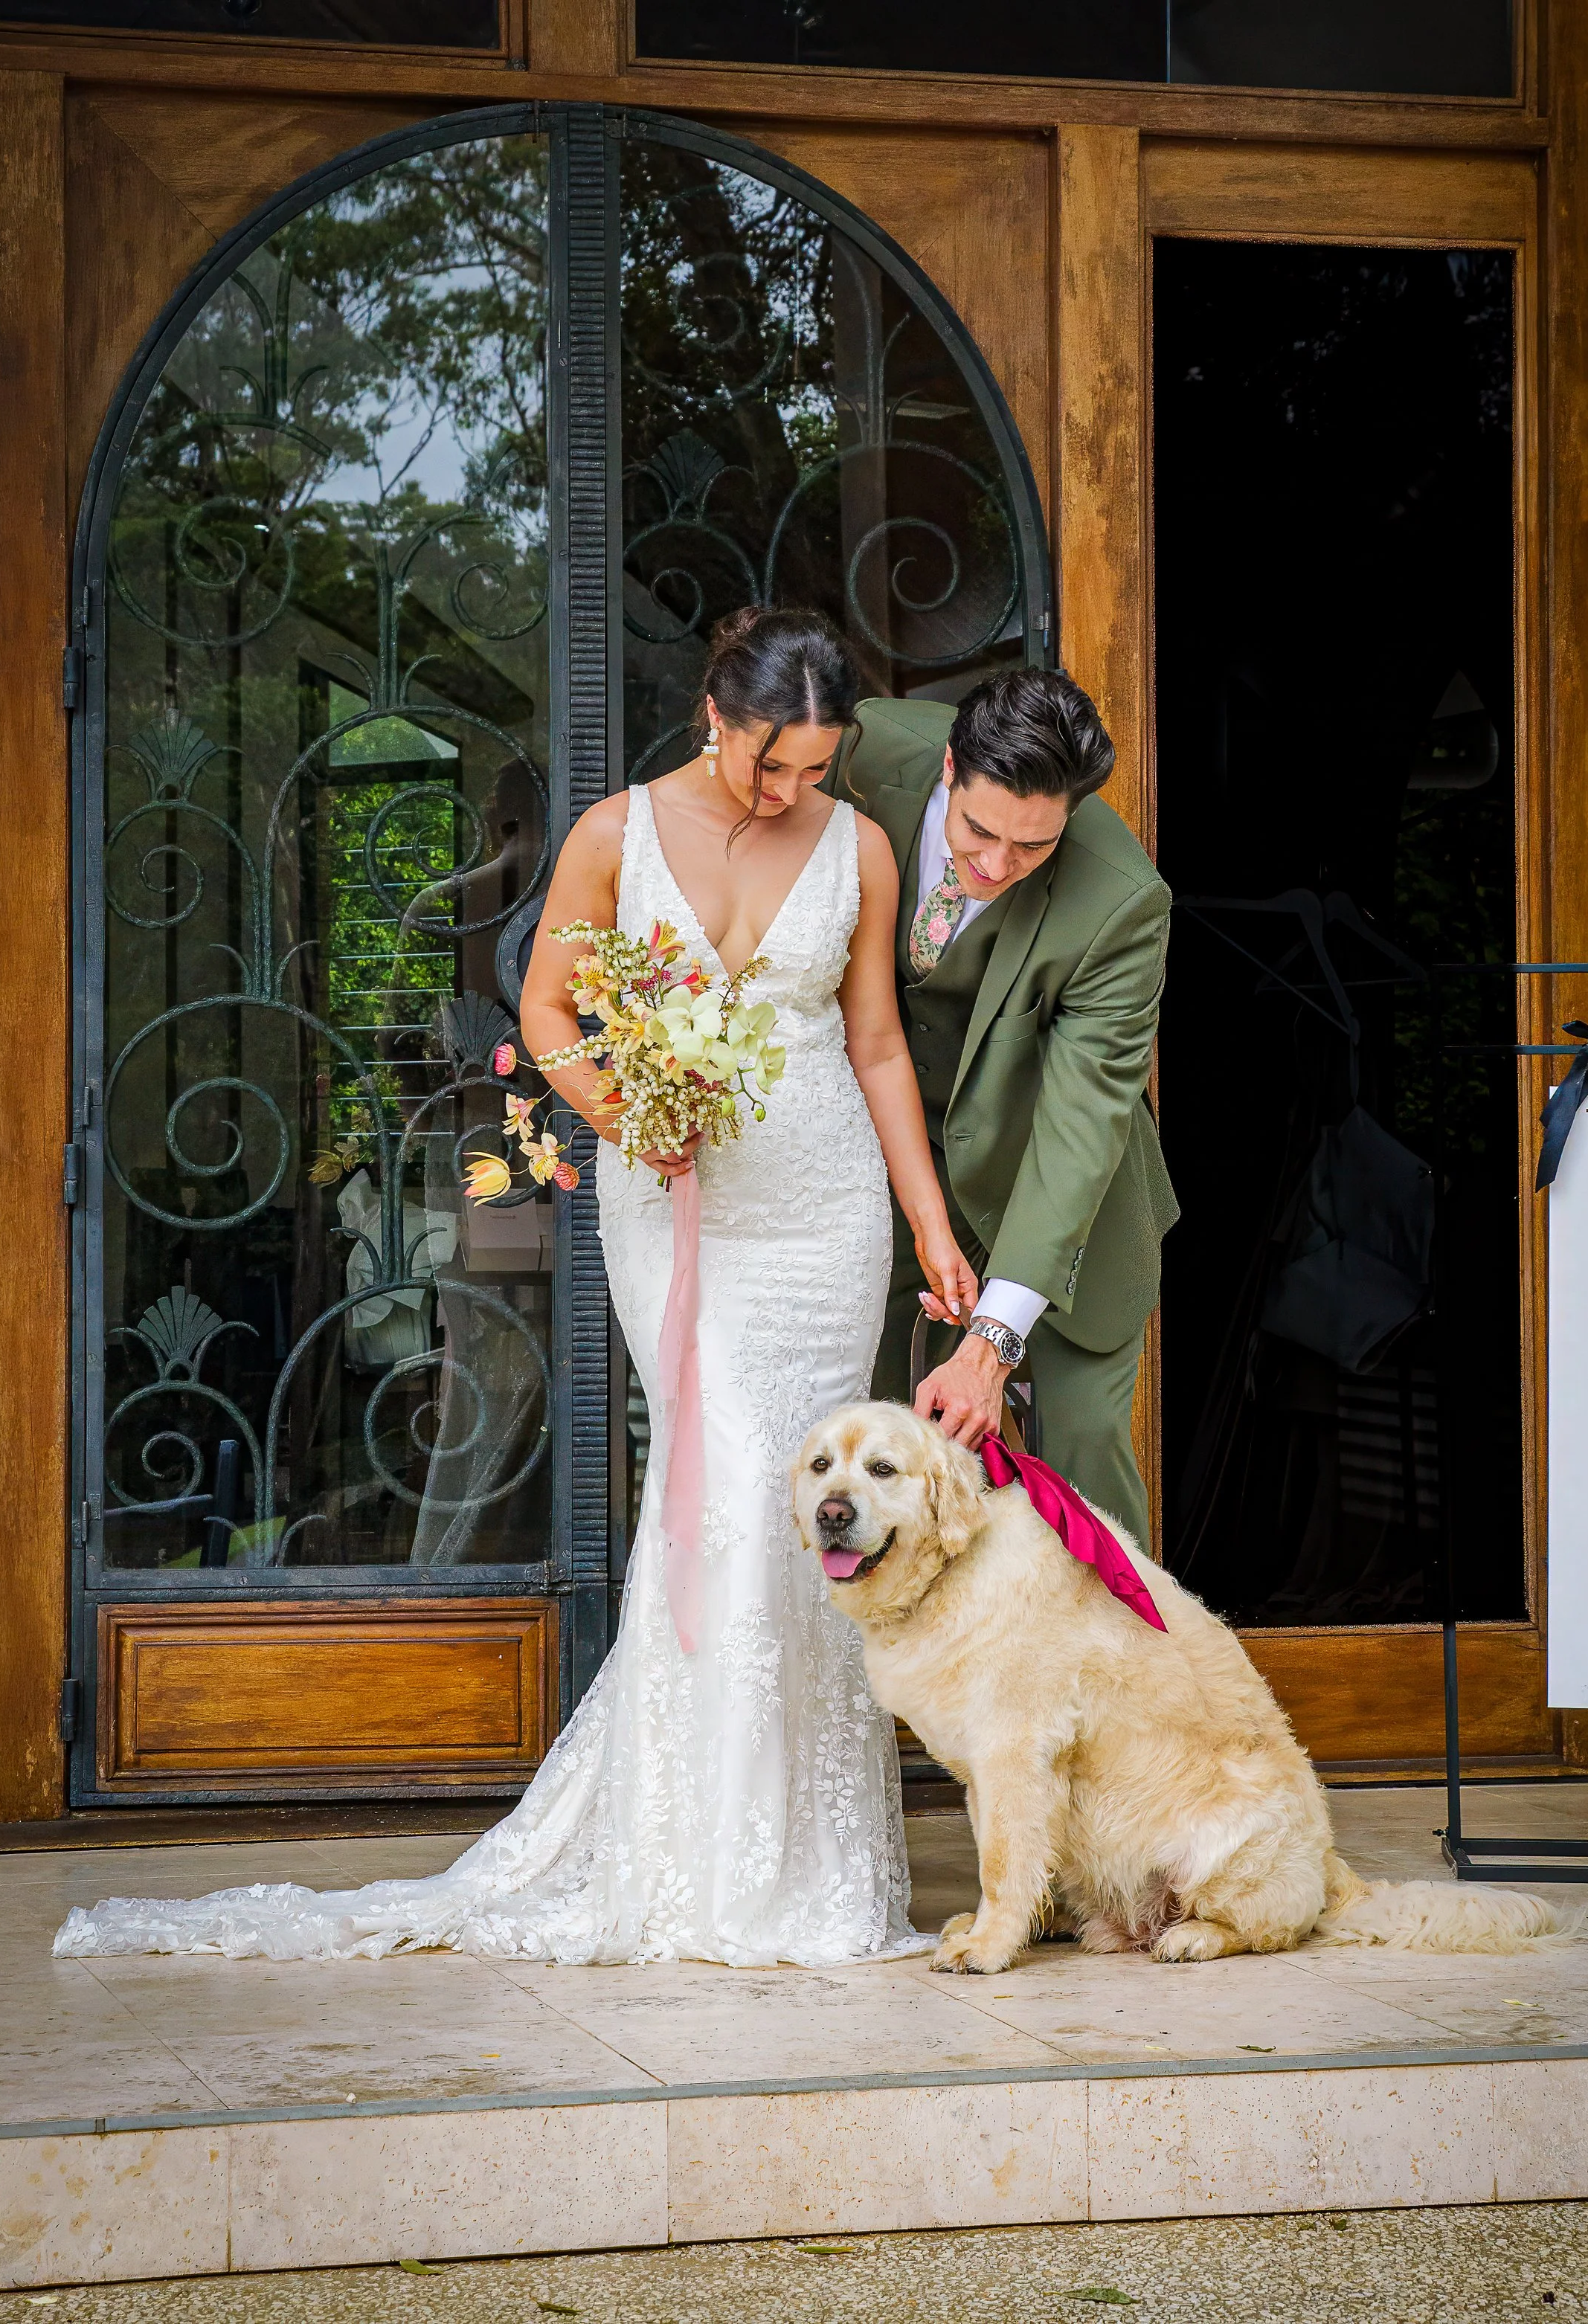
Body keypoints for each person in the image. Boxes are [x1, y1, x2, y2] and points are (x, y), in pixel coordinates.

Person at [54, 607, 980, 1969]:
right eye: (769, 763)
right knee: (721, 1490)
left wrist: (928, 1218)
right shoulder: (615, 834)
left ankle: (809, 1871)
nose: (791, 792)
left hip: (824, 1207)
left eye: (816, 770)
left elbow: (879, 1044)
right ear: (713, 720)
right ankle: (696, 1868)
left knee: (811, 1510)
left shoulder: (865, 848)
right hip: (678, 1200)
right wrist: (627, 1109)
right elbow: (546, 1016)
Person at [832, 669, 1177, 1549]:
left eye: (1030, 848)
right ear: (949, 766)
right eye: (978, 832)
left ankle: (1118, 1678)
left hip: (1060, 1190)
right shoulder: (868, 755)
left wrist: (990, 1344)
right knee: (871, 1447)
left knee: (1083, 1455)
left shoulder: (1122, 900)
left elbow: (1081, 1120)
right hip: (889, 1172)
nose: (992, 865)